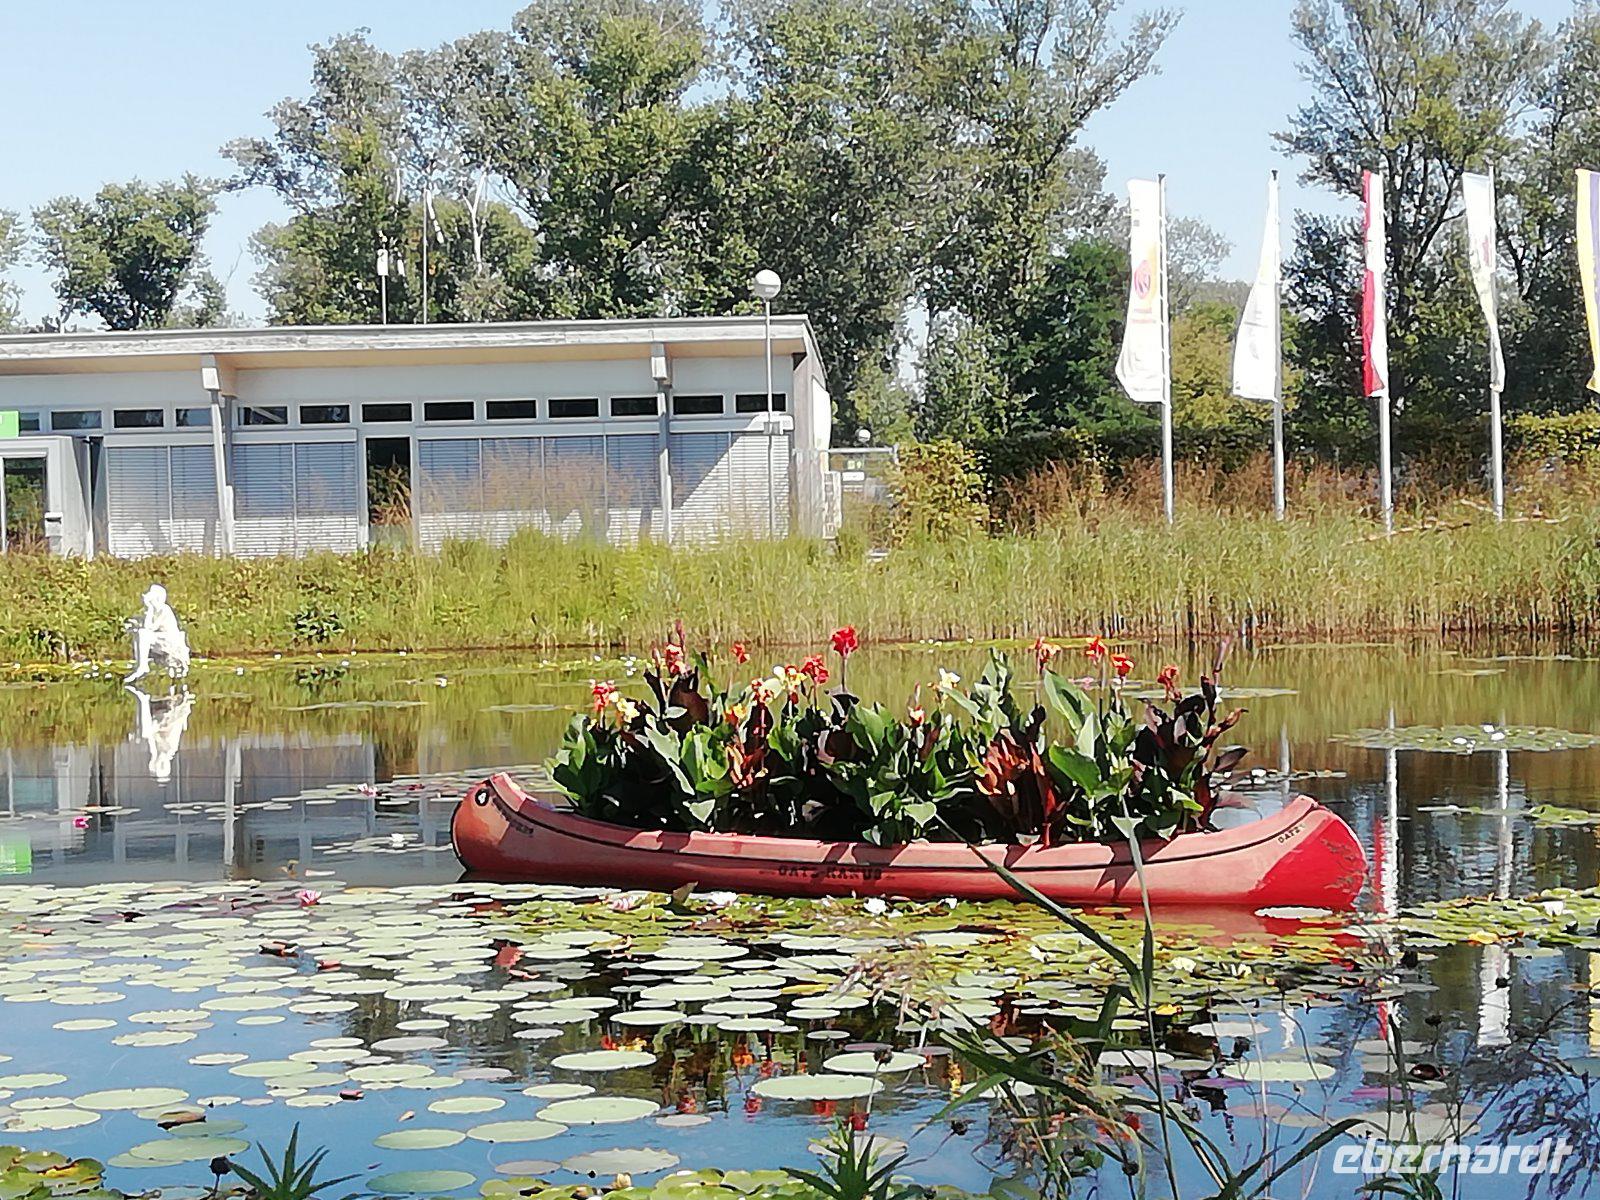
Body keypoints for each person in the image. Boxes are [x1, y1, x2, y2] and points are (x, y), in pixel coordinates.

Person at [125, 584, 190, 683]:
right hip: (160, 638)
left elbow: (150, 628)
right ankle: (140, 665)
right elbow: (147, 627)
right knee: (139, 634)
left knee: (143, 634)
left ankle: (142, 667)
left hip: (169, 640)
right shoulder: (154, 611)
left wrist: (150, 608)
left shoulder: (164, 609)